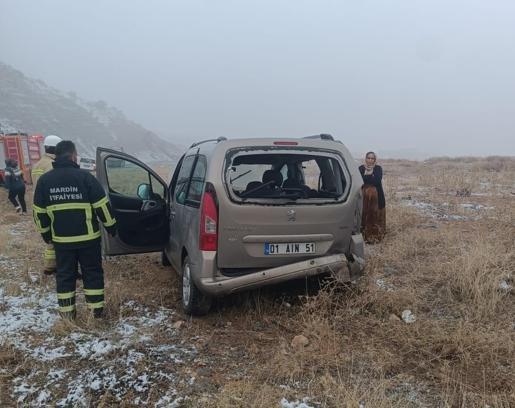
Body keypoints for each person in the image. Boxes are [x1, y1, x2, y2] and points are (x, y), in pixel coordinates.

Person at [33, 140, 117, 319]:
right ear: (73, 155)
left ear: (56, 156)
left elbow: (39, 212)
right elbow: (102, 206)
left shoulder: (45, 181)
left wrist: (46, 234)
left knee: (64, 276)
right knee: (92, 273)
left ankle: (67, 314)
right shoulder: (85, 177)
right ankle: (95, 313)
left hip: (62, 241)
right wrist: (111, 227)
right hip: (88, 239)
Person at [31, 135, 62, 275]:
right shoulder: (51, 165)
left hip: (39, 206)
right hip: (50, 205)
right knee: (57, 236)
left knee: (50, 237)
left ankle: (50, 265)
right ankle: (57, 266)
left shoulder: (38, 164)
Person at [359, 151, 385, 243]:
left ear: (375, 160)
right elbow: (360, 180)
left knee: (375, 217)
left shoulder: (378, 168)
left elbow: (377, 180)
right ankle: (364, 237)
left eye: (372, 158)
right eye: (368, 158)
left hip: (377, 199)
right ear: (365, 159)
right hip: (364, 199)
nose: (370, 160)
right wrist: (370, 177)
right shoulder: (361, 168)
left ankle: (375, 238)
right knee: (364, 216)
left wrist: (366, 178)